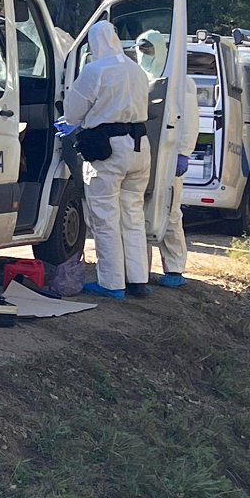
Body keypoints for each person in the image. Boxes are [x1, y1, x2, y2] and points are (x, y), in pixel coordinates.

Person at [59, 21, 152, 300]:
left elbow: (73, 111)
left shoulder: (95, 70)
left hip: (107, 150)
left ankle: (112, 283)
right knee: (133, 216)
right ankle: (138, 280)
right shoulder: (137, 70)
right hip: (139, 147)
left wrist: (75, 121)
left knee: (105, 217)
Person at [154, 75, 199, 287]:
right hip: (148, 156)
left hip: (170, 156)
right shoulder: (142, 75)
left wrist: (184, 152)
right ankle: (137, 270)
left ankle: (174, 268)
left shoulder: (182, 81)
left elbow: (189, 120)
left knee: (170, 212)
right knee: (138, 215)